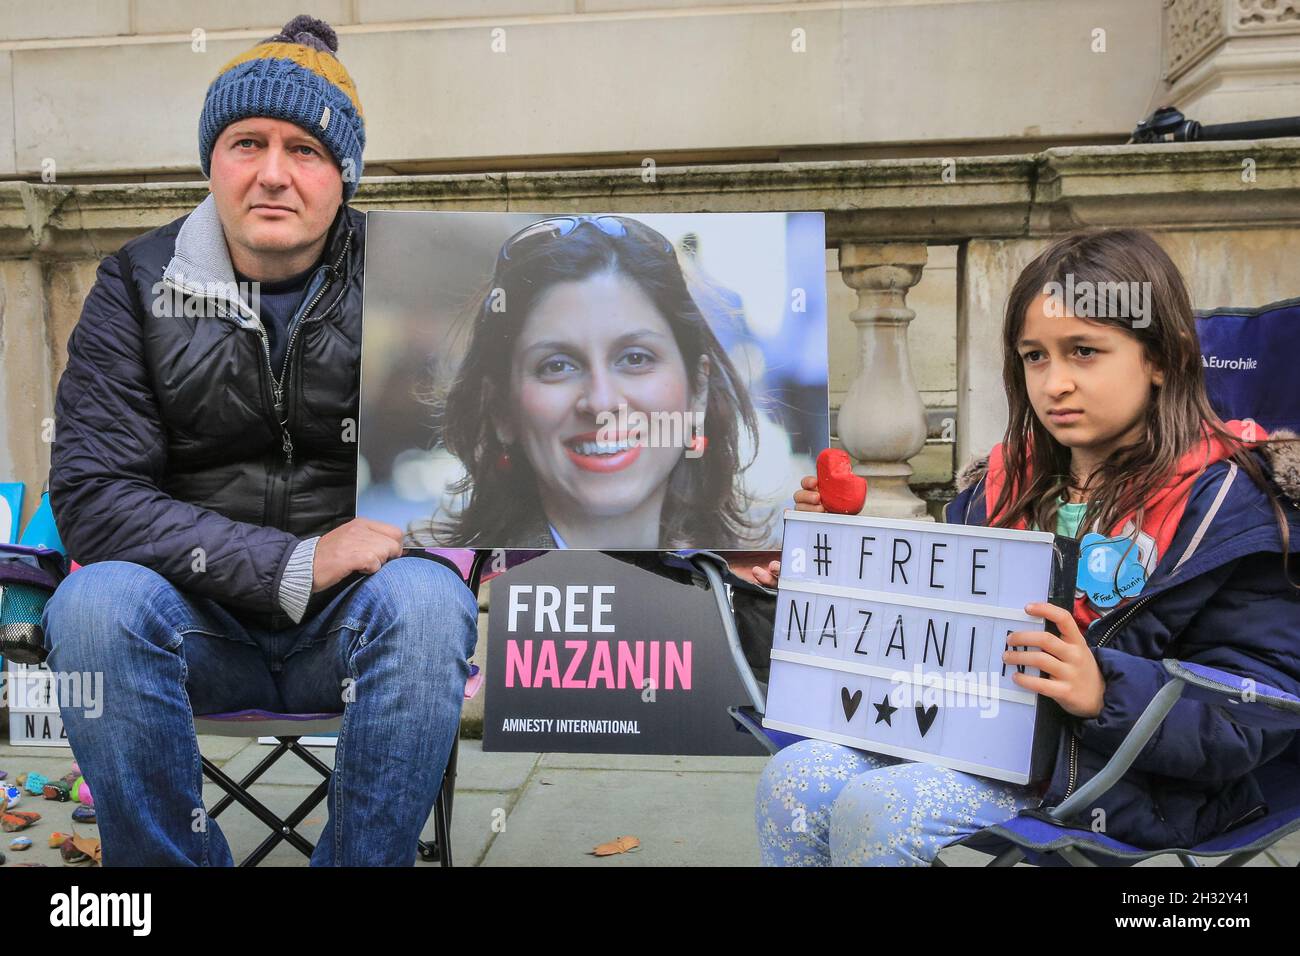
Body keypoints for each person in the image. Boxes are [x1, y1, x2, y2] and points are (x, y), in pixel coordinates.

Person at [42, 15, 478, 866]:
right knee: (91, 607)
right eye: (248, 142)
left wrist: (717, 542)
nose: (273, 174)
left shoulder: (418, 279)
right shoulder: (137, 283)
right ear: (212, 159)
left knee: (432, 605)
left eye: (306, 151)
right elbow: (94, 498)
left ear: (343, 176)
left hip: (357, 625)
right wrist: (290, 564)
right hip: (191, 622)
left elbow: (515, 464)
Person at [752, 228, 1300, 865]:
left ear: (1163, 359)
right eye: (1034, 356)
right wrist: (820, 582)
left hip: (1123, 773)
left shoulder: (1237, 510)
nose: (1054, 382)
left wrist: (1104, 689)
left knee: (884, 807)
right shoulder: (1000, 487)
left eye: (1084, 351)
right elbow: (933, 639)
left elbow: (1258, 709)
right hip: (968, 729)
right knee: (795, 777)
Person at [413, 215, 773, 549]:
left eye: (635, 358)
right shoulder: (441, 596)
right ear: (502, 409)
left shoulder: (754, 590)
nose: (601, 402)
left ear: (698, 388)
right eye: (557, 365)